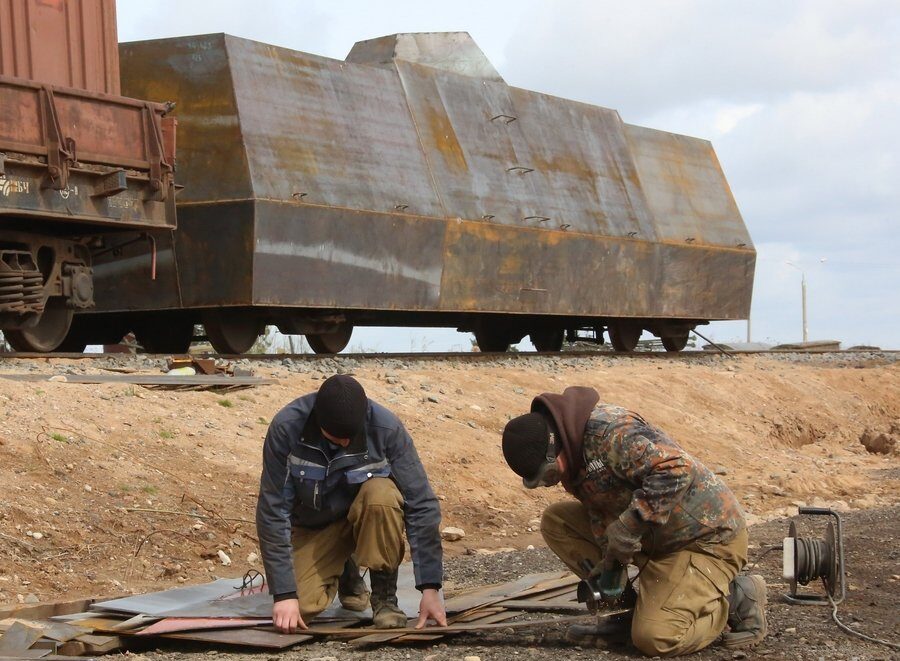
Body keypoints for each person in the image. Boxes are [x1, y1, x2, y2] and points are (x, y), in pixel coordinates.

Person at [500, 386, 766, 657]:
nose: (551, 483)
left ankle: (734, 596)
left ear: (553, 448)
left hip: (704, 540)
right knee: (557, 521)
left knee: (656, 639)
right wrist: (611, 563)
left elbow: (676, 469)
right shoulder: (571, 448)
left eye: (549, 474)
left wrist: (629, 525)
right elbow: (599, 508)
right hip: (656, 536)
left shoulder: (612, 433)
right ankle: (621, 615)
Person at [256, 374, 447, 633]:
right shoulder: (287, 428)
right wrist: (284, 594)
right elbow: (273, 511)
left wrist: (431, 589)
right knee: (300, 609)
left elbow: (421, 504)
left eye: (351, 436)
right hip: (317, 527)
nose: (345, 443)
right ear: (318, 420)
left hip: (369, 516)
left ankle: (385, 600)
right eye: (336, 437)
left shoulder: (386, 429)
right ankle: (347, 569)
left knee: (382, 495)